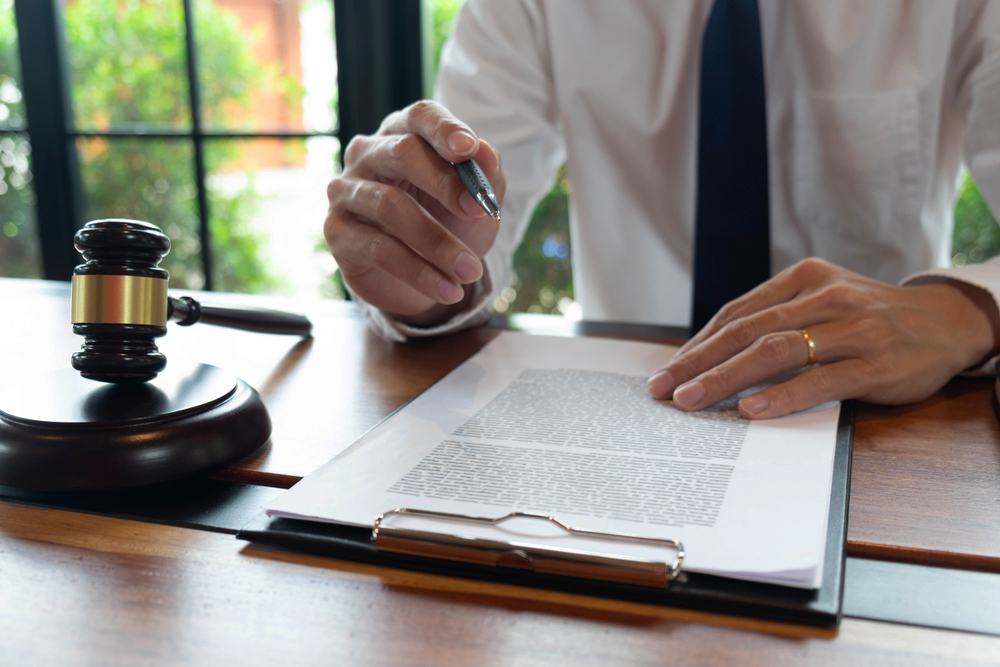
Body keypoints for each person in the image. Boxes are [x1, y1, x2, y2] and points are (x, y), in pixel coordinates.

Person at [323, 1, 1000, 419]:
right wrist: (423, 267)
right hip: (637, 408)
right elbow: (464, 225)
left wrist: (965, 310)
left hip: (880, 418)